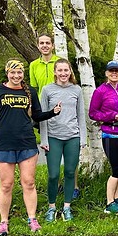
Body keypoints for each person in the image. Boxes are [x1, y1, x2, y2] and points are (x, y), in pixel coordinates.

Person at [0, 59, 61, 236]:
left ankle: (32, 219)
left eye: (19, 72)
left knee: (29, 183)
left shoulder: (29, 91)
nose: (16, 76)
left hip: (26, 142)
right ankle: (3, 222)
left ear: (23, 73)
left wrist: (52, 112)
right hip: (4, 143)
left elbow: (37, 115)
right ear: (7, 73)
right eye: (13, 72)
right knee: (6, 184)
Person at [39, 59, 86, 222]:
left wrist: (82, 138)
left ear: (70, 71)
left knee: (70, 172)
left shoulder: (77, 90)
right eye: (60, 70)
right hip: (53, 137)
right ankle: (51, 207)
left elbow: (80, 115)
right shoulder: (47, 90)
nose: (63, 73)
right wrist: (44, 139)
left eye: (66, 70)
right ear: (55, 72)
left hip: (72, 136)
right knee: (53, 175)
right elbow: (42, 117)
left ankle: (66, 207)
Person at [89, 60, 118, 214]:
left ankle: (117, 197)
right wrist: (112, 116)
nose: (114, 74)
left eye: (117, 71)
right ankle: (109, 203)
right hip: (110, 134)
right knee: (115, 169)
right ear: (106, 73)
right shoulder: (100, 91)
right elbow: (93, 113)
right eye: (111, 71)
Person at [29, 34, 60, 98]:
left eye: (48, 43)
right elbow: (34, 88)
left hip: (59, 102)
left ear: (53, 46)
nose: (45, 45)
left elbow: (70, 84)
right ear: (38, 46)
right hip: (42, 104)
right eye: (42, 43)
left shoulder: (61, 62)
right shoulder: (33, 65)